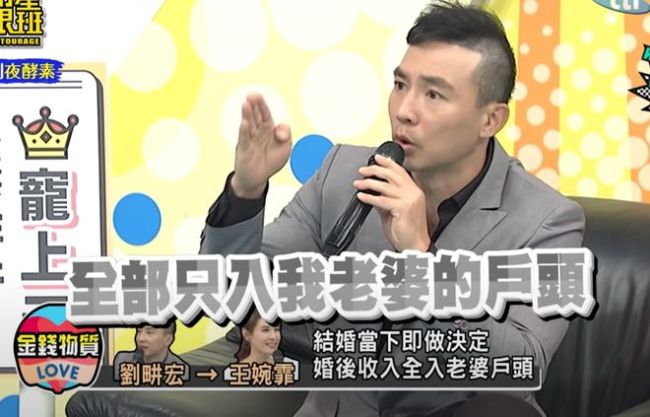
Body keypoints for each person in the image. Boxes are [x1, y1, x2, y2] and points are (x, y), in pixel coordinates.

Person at [200, 1, 584, 416]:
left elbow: (522, 365)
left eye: (433, 94)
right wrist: (246, 191)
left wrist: (423, 260)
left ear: (490, 120)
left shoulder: (547, 221)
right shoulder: (343, 174)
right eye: (401, 85)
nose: (404, 111)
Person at [112, 320, 190, 381]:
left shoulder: (182, 372)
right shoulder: (122, 360)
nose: (141, 339)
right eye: (139, 331)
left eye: (149, 332)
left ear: (168, 340)